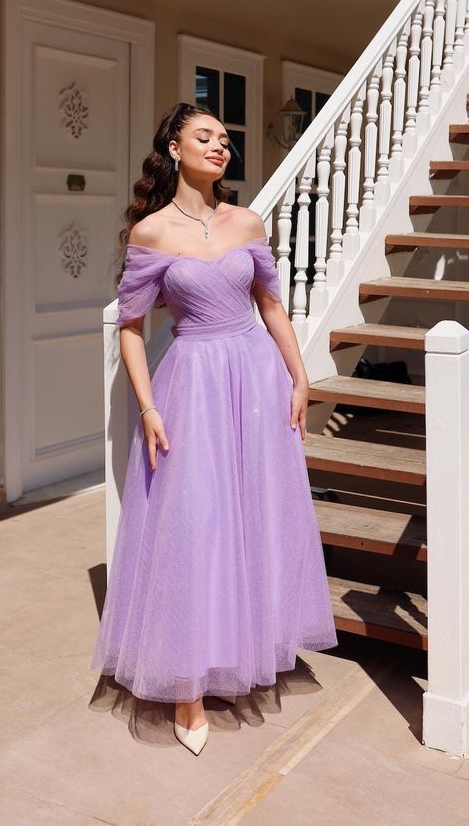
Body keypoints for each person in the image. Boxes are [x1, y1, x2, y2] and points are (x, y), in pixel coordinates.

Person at [90, 102, 338, 755]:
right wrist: (147, 408)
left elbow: (272, 307)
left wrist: (300, 378)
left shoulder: (247, 221)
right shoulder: (151, 233)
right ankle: (187, 686)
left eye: (226, 139)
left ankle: (241, 655)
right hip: (193, 384)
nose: (219, 146)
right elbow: (133, 331)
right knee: (193, 527)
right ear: (174, 148)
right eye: (205, 136)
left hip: (255, 380)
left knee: (254, 518)